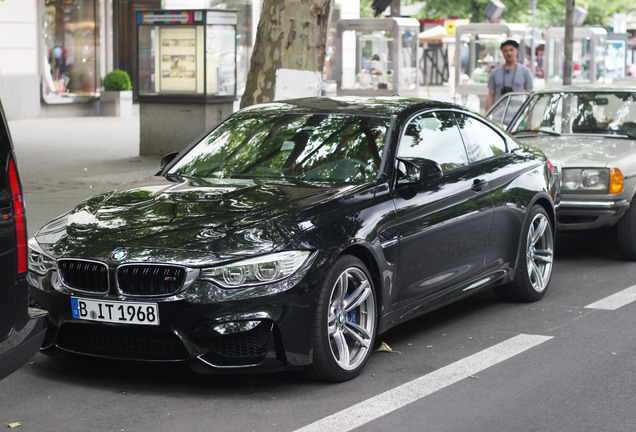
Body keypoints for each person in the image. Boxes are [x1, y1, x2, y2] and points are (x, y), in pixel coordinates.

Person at [485, 39, 533, 112]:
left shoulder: (525, 72)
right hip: (498, 117)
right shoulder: (495, 72)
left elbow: (529, 95)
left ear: (516, 51)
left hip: (517, 116)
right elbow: (491, 95)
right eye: (505, 51)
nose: (509, 53)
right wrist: (487, 116)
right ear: (502, 53)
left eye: (511, 50)